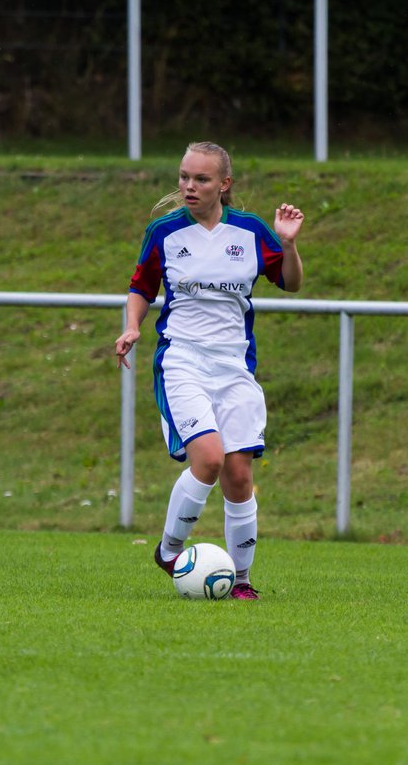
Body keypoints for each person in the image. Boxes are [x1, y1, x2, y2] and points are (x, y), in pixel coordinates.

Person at [115, 141, 304, 600]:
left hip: (235, 367)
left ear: (224, 184)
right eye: (184, 177)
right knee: (210, 459)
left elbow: (291, 284)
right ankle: (169, 550)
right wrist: (132, 327)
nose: (189, 186)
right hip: (182, 360)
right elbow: (141, 286)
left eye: (200, 179)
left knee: (238, 473)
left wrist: (287, 244)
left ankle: (240, 581)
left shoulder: (250, 232)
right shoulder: (164, 232)